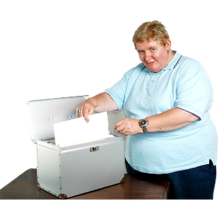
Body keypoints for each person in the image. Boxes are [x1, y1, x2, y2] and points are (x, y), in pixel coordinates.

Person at [76, 20, 217, 199]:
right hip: (140, 168)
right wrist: (92, 103)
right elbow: (113, 97)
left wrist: (140, 125)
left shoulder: (189, 69)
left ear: (167, 44)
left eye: (152, 49)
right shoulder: (135, 73)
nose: (147, 57)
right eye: (141, 51)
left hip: (187, 169)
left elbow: (187, 114)